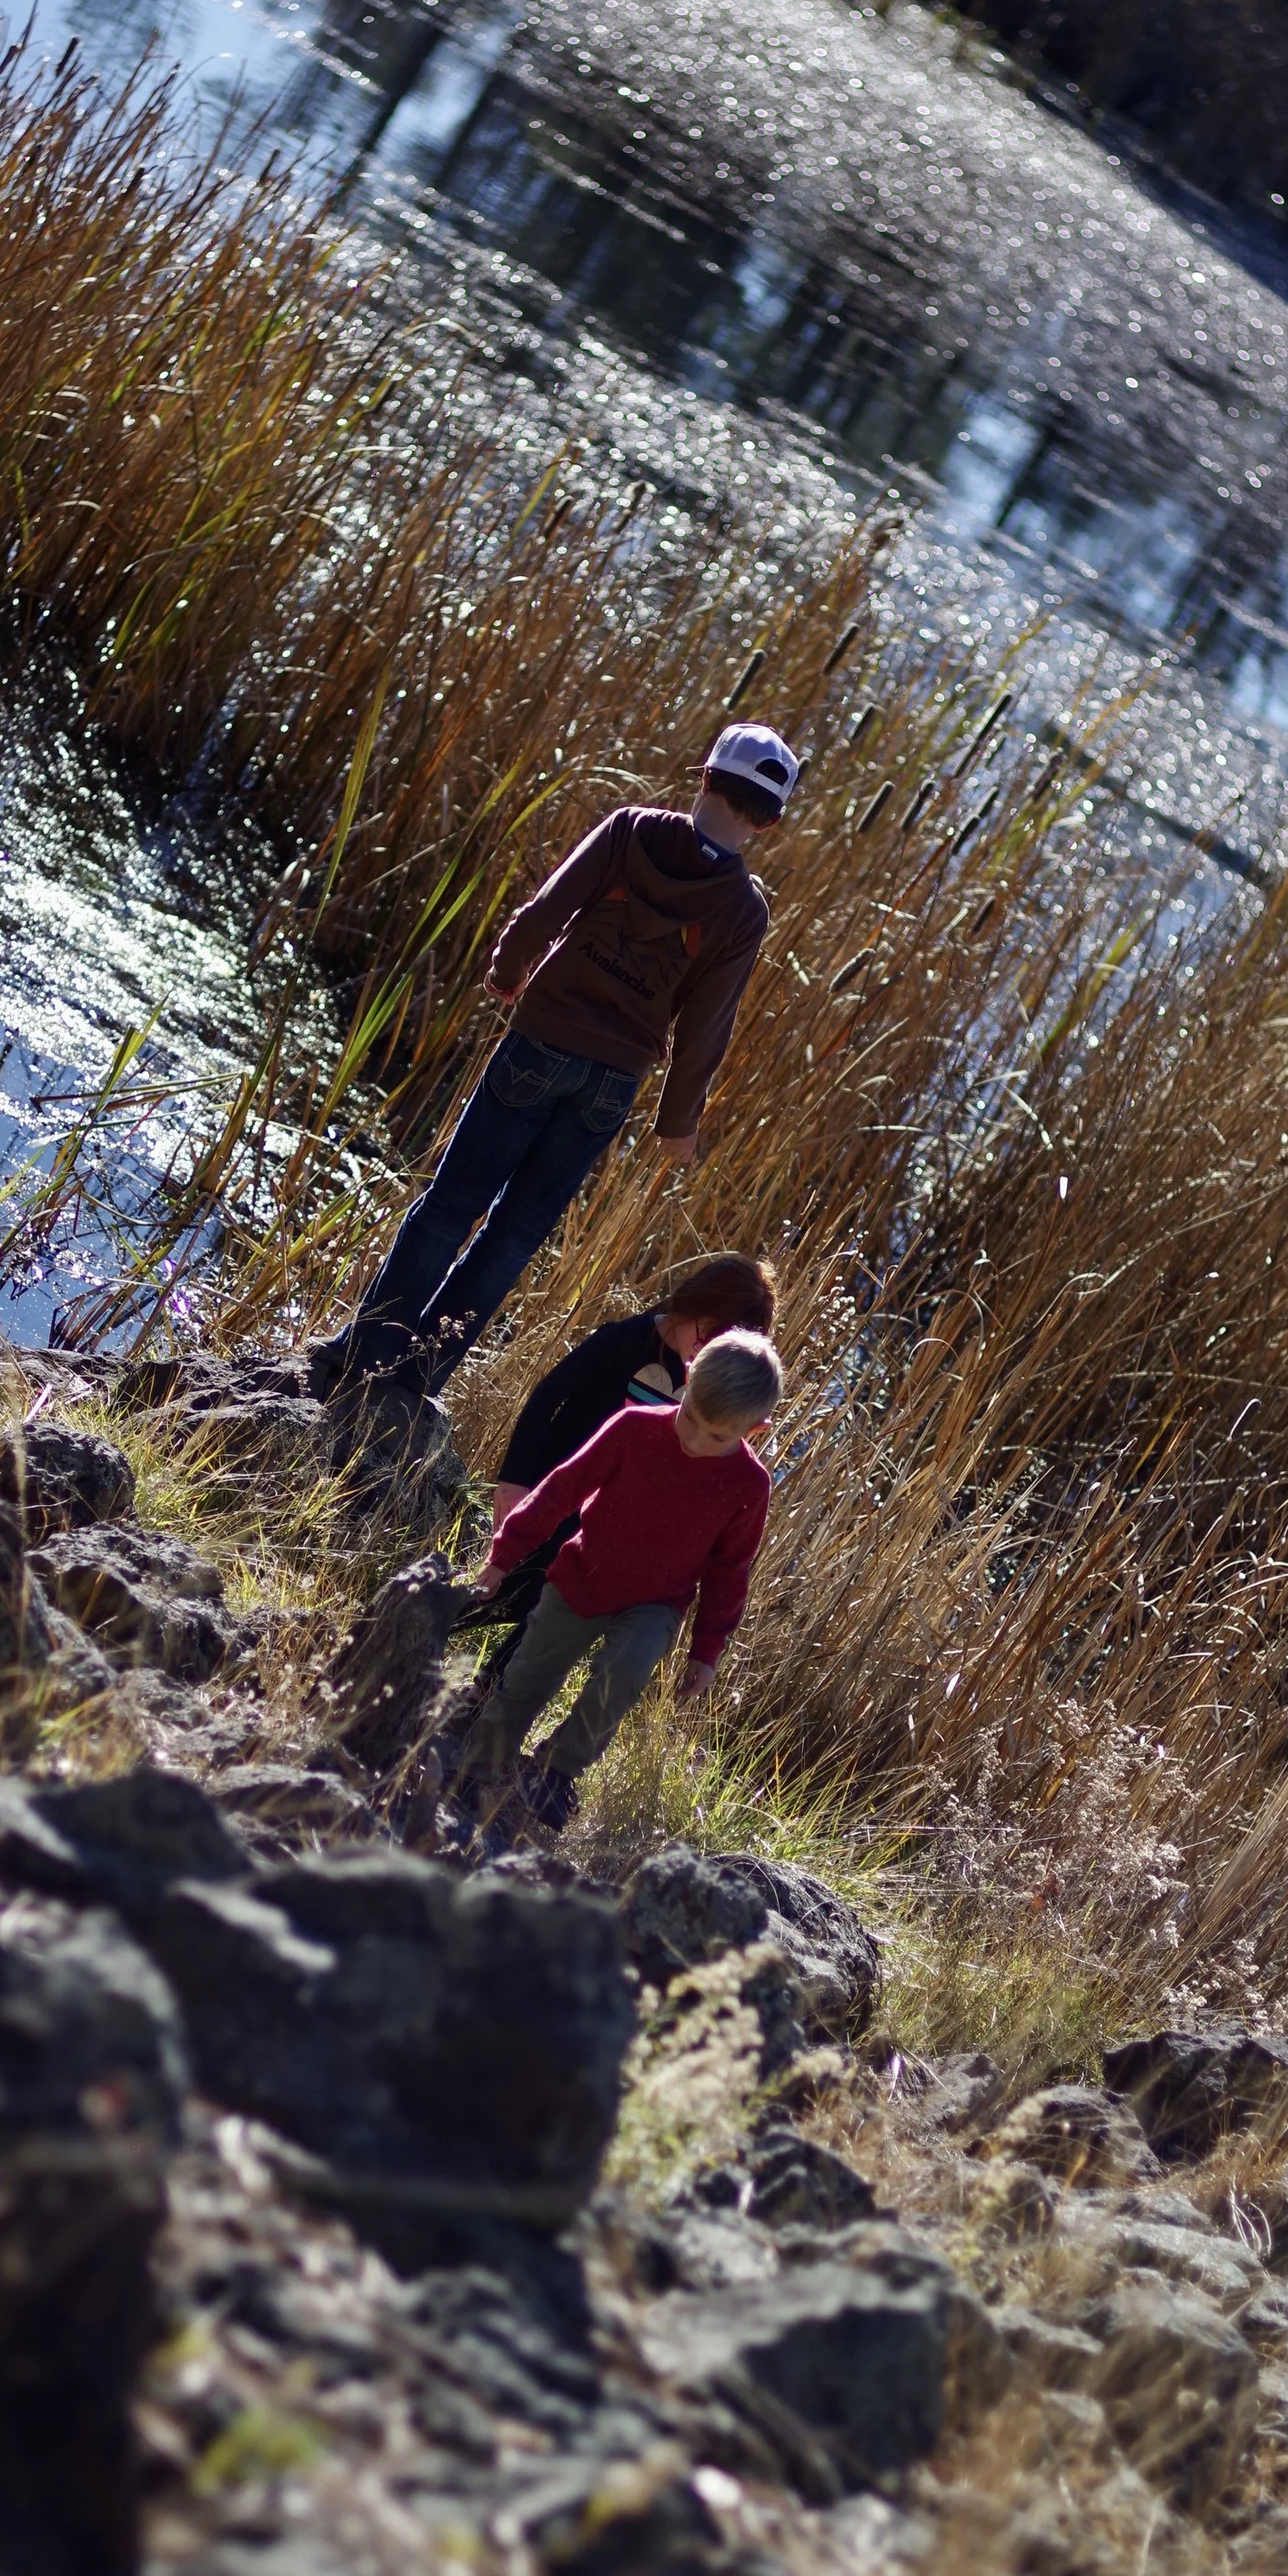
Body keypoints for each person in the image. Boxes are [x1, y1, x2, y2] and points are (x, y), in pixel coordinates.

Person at [306, 721, 800, 1403]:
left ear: (706, 777)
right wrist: (677, 1121)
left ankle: (364, 1350)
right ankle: (413, 1382)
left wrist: (509, 969)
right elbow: (705, 1029)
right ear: (769, 824)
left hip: (539, 1045)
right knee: (513, 1236)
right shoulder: (744, 911)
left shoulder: (630, 830)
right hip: (612, 1082)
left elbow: (545, 911)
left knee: (450, 1206)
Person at [458, 1328, 781, 1827]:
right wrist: (503, 1557)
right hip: (582, 1575)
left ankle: (554, 1772)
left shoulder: (748, 1485)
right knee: (525, 1679)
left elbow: (730, 1570)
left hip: (656, 1603)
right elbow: (561, 1490)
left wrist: (706, 1652)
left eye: (717, 1436)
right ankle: (477, 1768)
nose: (694, 1440)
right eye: (690, 1416)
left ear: (755, 1429)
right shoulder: (633, 1428)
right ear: (688, 1378)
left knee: (622, 1679)